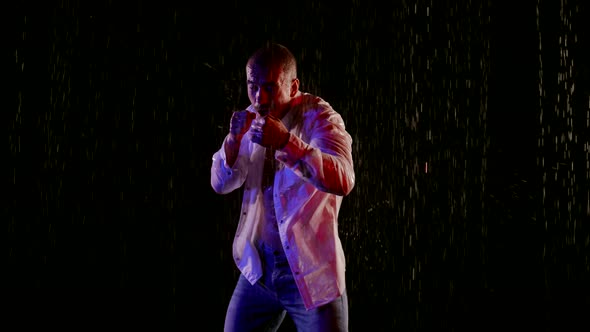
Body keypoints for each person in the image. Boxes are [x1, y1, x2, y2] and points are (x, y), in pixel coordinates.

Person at [210, 42, 355, 332]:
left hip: (312, 277)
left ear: (293, 85)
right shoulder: (250, 119)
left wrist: (286, 143)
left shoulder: (321, 118)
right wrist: (232, 142)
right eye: (252, 86)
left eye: (269, 87)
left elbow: (343, 179)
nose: (259, 98)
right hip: (259, 273)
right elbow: (220, 184)